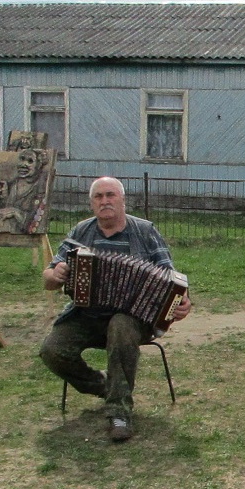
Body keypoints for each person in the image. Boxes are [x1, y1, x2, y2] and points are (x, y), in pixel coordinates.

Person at [40, 177, 191, 441]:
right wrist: (57, 273)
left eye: (110, 195)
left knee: (120, 325)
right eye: (98, 197)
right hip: (86, 315)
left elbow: (171, 276)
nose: (105, 201)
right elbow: (48, 278)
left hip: (134, 320)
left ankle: (118, 413)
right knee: (51, 351)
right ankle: (105, 386)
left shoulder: (144, 232)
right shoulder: (81, 232)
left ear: (122, 200)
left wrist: (183, 302)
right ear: (91, 203)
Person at [0, 147, 51, 234]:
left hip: (23, 233)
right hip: (3, 231)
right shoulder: (12, 184)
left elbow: (34, 222)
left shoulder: (39, 189)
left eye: (30, 161)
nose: (23, 164)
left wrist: (15, 212)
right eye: (22, 159)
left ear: (38, 165)